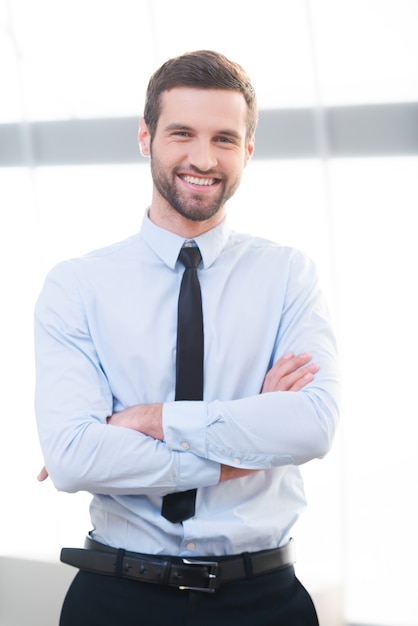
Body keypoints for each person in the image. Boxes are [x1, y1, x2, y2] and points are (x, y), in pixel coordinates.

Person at [34, 50, 340, 626]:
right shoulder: (78, 285)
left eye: (225, 138)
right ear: (146, 138)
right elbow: (74, 458)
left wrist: (152, 419)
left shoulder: (288, 276)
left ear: (248, 150)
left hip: (266, 601)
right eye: (182, 134)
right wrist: (244, 447)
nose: (203, 158)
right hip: (118, 597)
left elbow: (311, 425)